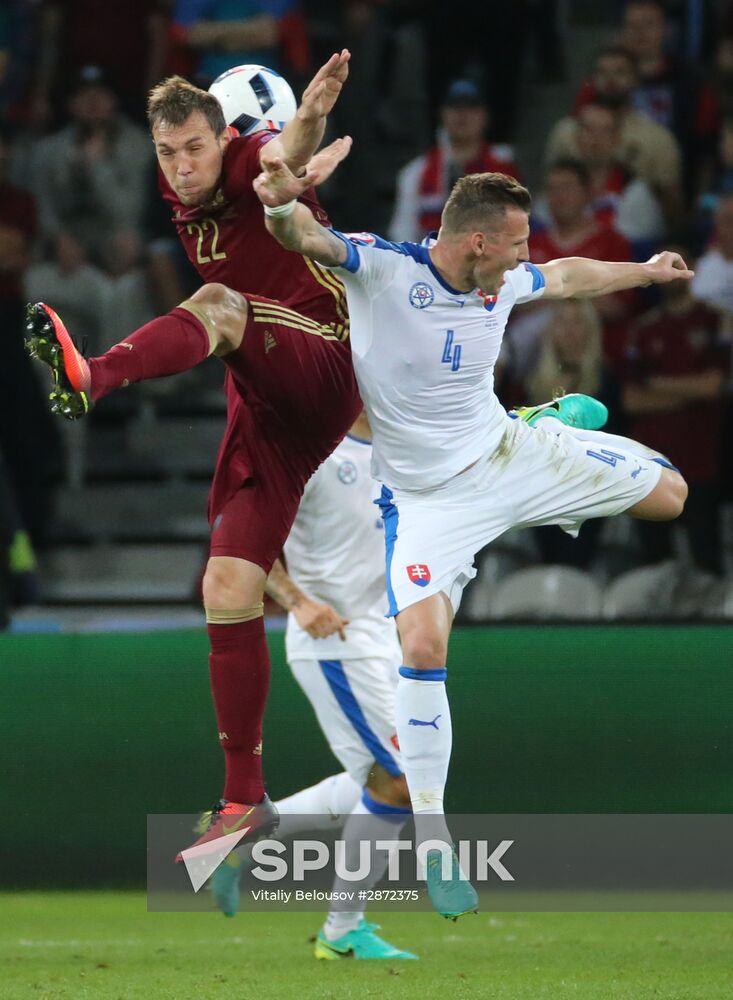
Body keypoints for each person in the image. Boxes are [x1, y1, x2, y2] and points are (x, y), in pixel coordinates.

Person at [253, 160, 691, 917]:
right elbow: (306, 238)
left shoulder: (503, 281)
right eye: (517, 243)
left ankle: (542, 423)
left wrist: (645, 272)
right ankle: (433, 837)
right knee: (424, 649)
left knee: (671, 497)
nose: (526, 256)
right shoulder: (385, 270)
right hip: (427, 501)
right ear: (478, 242)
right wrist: (275, 203)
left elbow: (568, 276)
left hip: (507, 457)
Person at [25, 53, 362, 856]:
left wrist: (308, 123)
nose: (180, 165)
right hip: (265, 399)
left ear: (226, 138)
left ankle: (93, 376)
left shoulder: (248, 161)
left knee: (217, 303)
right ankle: (244, 797)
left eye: (195, 148)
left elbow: (278, 164)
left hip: (323, 355)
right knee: (226, 586)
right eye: (166, 152)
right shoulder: (184, 192)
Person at [212, 410, 417, 960]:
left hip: (385, 637)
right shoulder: (313, 452)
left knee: (386, 776)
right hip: (335, 641)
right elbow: (245, 538)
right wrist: (298, 603)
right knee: (402, 780)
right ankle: (341, 930)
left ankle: (243, 834)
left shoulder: (405, 446)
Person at [546, 45, 682, 222]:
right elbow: (550, 188)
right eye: (602, 73)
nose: (610, 80)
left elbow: (671, 204)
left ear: (636, 80)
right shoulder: (565, 132)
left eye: (620, 72)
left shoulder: (658, 138)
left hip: (635, 223)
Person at [389, 79, 519, 243]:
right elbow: (402, 233)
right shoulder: (415, 173)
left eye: (471, 107)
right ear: (442, 114)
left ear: (485, 115)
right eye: (455, 107)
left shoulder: (505, 167)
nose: (462, 115)